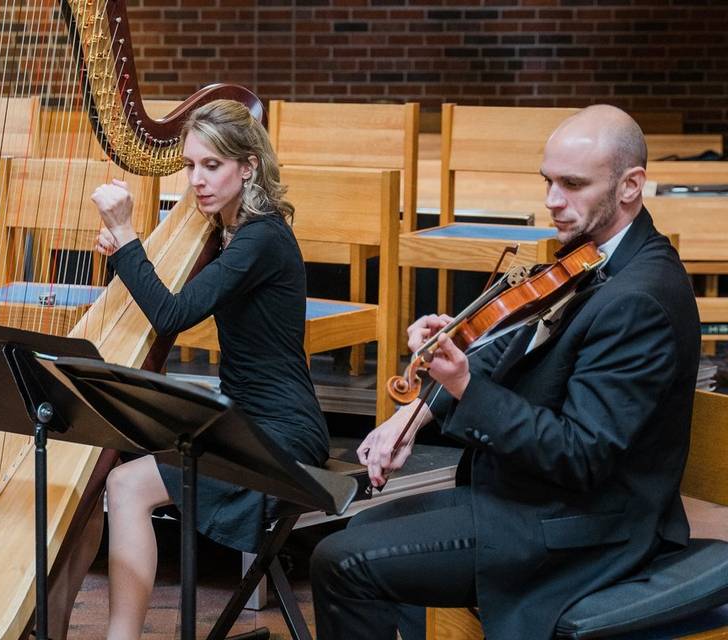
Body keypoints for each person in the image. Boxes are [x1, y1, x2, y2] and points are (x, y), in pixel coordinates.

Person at [310, 104, 701, 639]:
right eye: (547, 182)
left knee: (344, 560)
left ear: (631, 185)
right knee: (366, 530)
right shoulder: (590, 259)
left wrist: (464, 384)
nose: (552, 202)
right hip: (530, 500)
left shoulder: (641, 298)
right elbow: (511, 350)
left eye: (572, 184)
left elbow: (581, 455)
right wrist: (412, 417)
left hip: (589, 526)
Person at [90, 99, 329, 640]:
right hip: (240, 420)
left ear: (248, 166)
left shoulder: (261, 238)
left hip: (280, 436)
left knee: (127, 484)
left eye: (212, 166)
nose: (196, 179)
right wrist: (125, 252)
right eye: (190, 165)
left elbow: (172, 312)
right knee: (100, 467)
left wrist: (128, 237)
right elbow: (168, 295)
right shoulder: (229, 230)